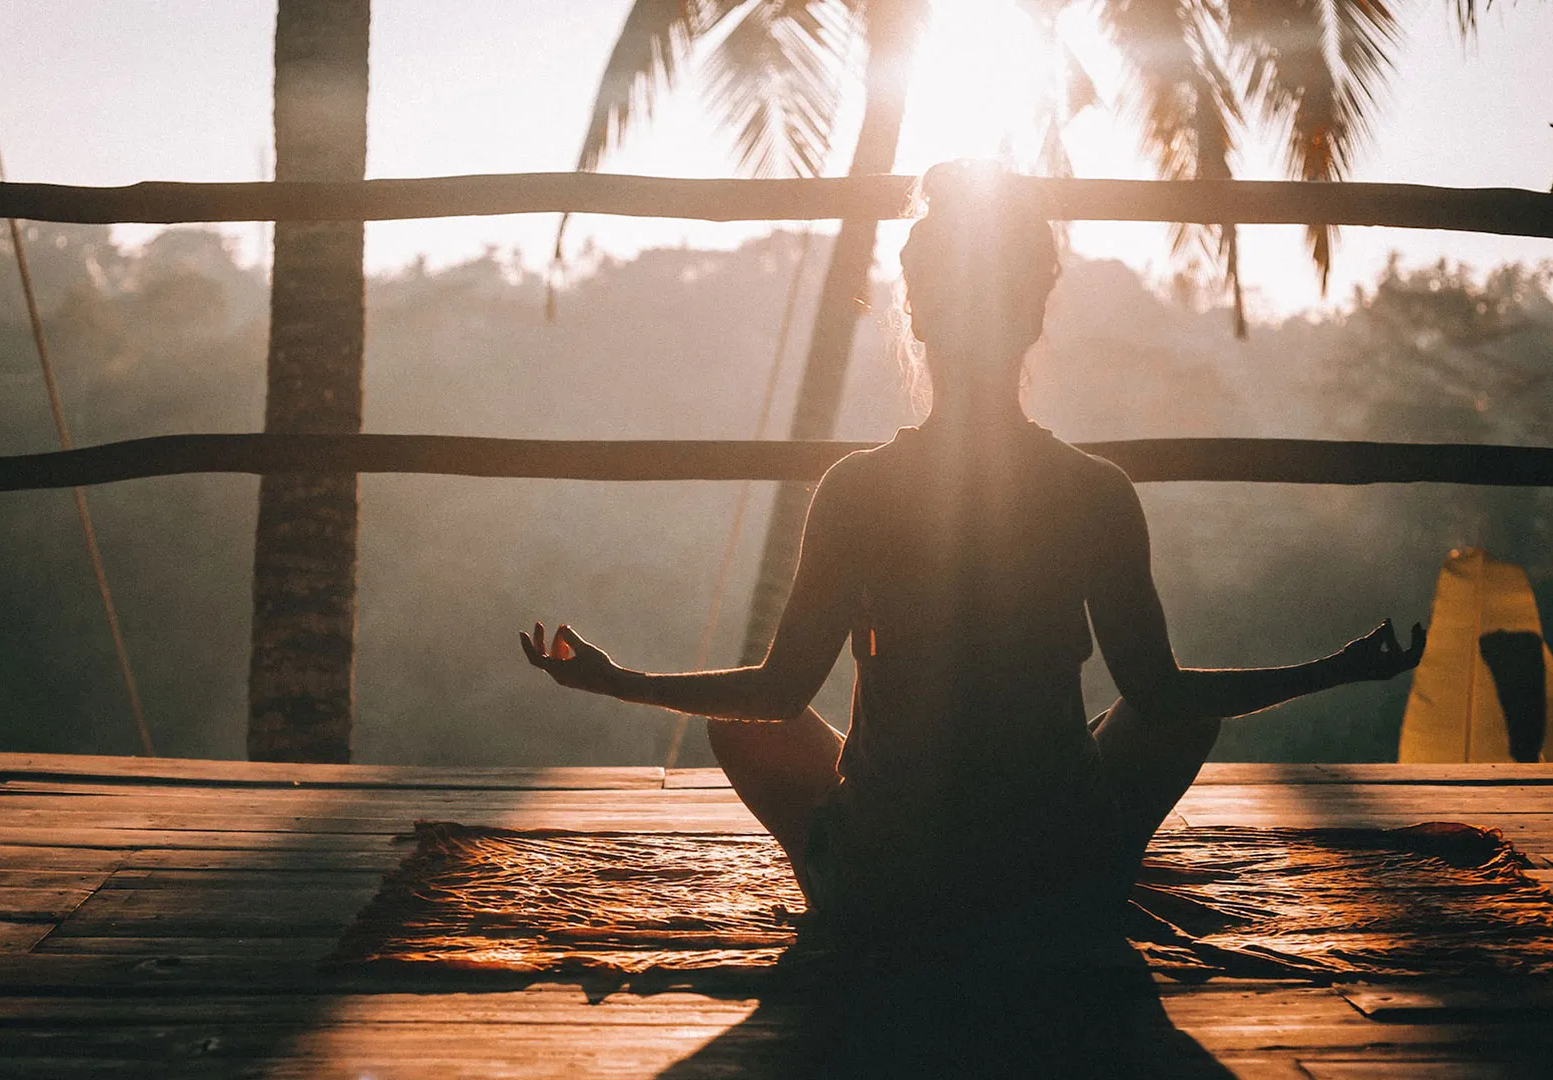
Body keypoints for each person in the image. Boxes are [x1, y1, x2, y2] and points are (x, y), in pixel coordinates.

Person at [520, 160, 1425, 957]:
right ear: (1033, 316)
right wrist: (1336, 670)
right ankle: (1096, 872)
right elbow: (1162, 696)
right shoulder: (1094, 490)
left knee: (743, 726)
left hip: (891, 890)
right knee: (1173, 712)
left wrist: (616, 679)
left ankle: (846, 888)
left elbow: (777, 693)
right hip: (1054, 886)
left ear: (917, 316)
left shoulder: (857, 489)